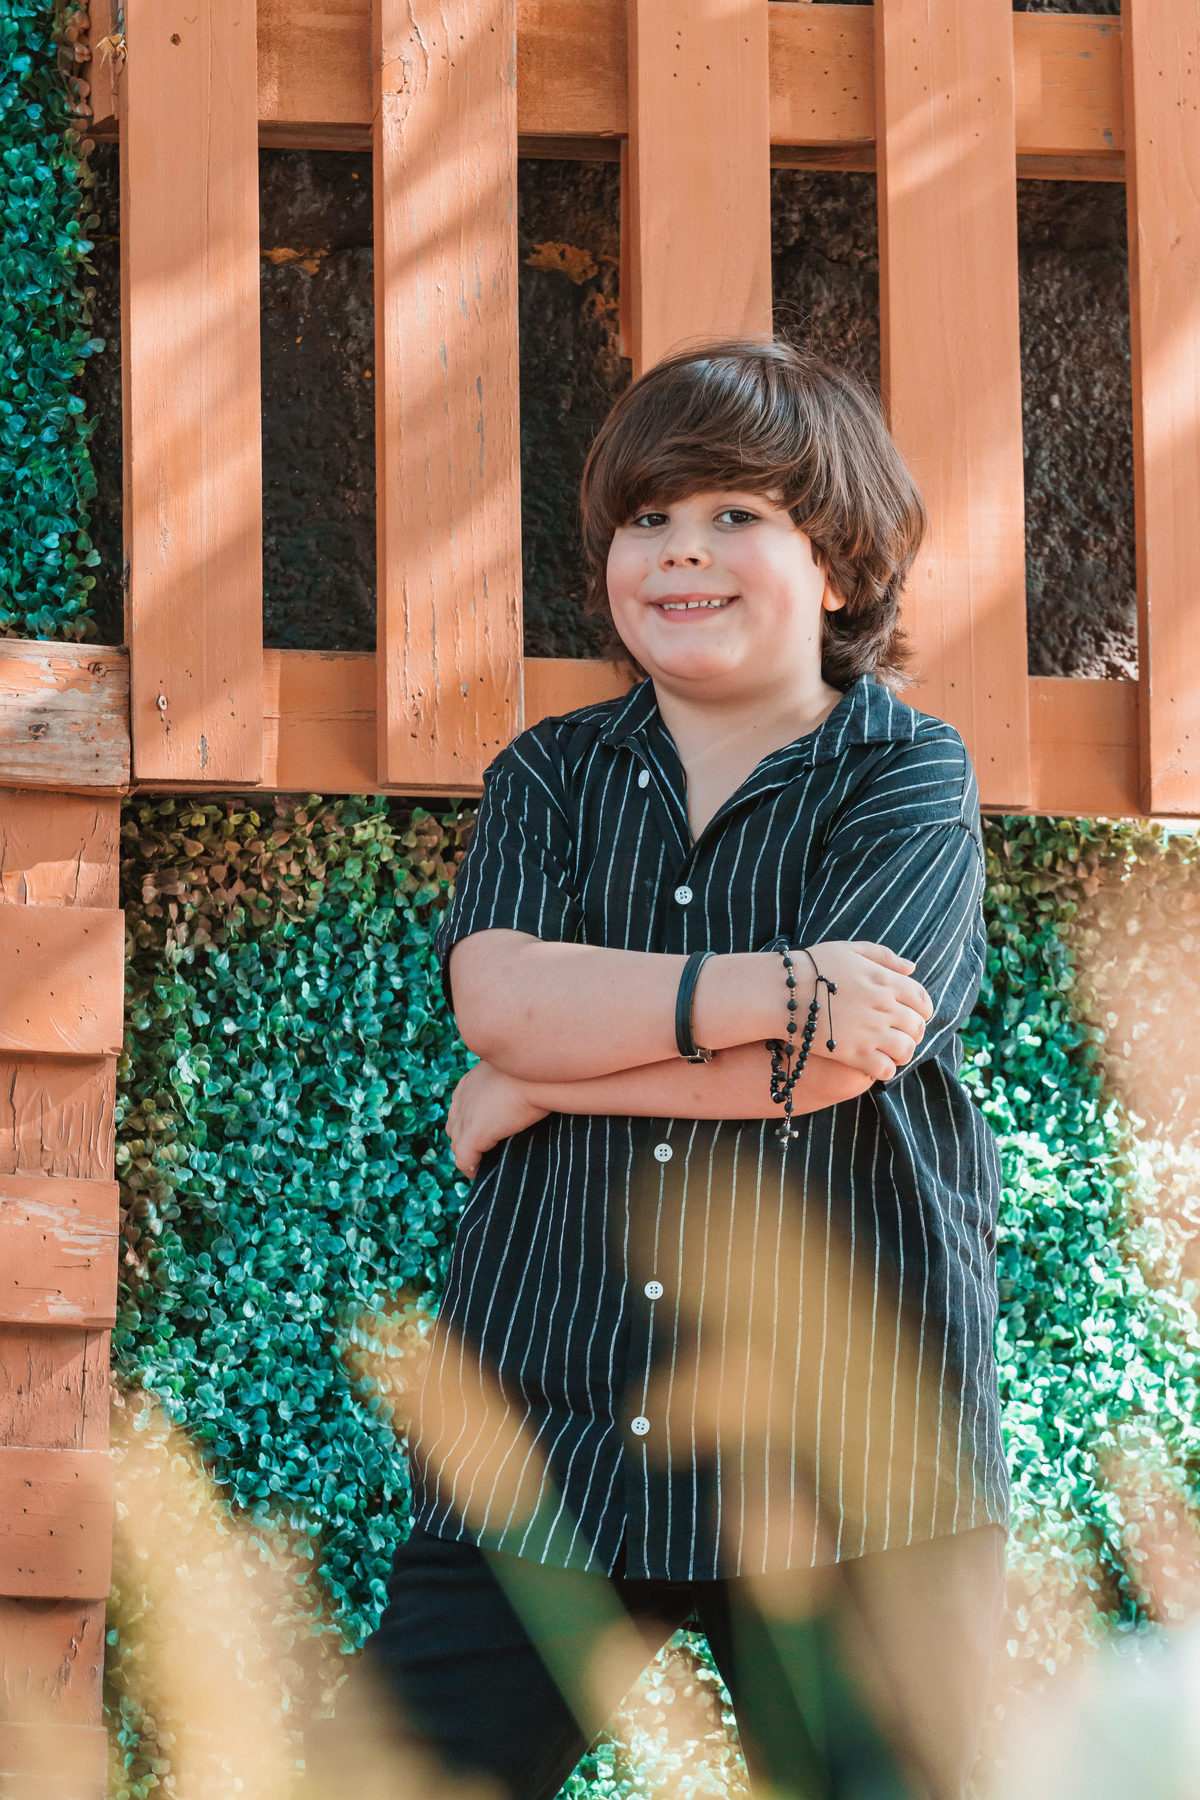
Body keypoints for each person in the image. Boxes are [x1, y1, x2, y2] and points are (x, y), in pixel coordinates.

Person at [321, 340, 1008, 1800]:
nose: (681, 550)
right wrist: (767, 989)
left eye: (734, 515)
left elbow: (840, 1065)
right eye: (650, 519)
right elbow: (503, 1002)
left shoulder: (907, 775)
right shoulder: (550, 775)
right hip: (547, 1428)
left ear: (841, 566)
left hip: (845, 1455)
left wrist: (549, 1082)